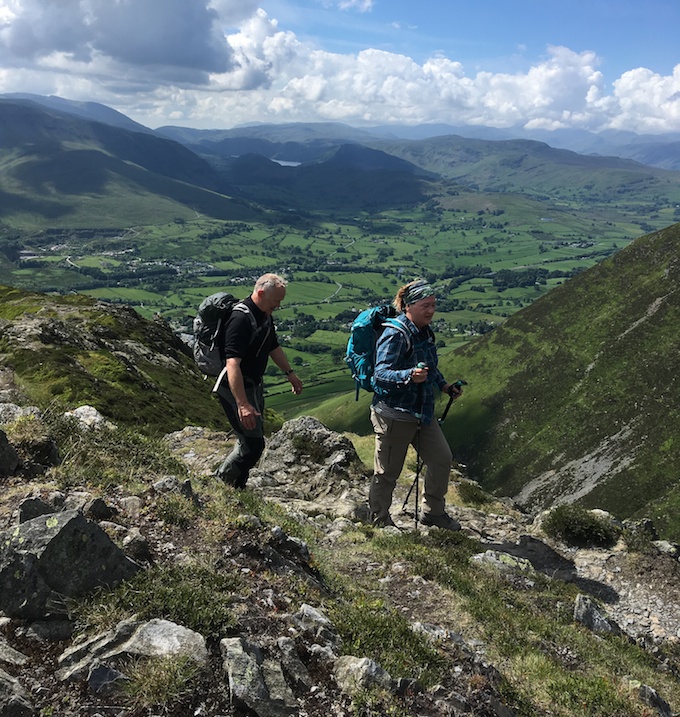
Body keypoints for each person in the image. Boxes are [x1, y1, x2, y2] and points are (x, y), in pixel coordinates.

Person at [368, 278, 463, 529]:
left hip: (422, 412)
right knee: (387, 473)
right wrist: (408, 375)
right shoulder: (395, 334)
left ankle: (433, 512)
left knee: (442, 459)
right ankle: (379, 521)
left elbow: (430, 367)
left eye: (433, 305)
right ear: (408, 306)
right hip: (394, 415)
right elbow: (380, 373)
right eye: (425, 305)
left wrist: (443, 386)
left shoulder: (425, 332)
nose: (431, 310)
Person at [215, 273, 303, 488]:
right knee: (253, 445)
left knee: (250, 440)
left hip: (252, 386)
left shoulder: (263, 314)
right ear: (261, 293)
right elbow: (232, 364)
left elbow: (272, 345)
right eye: (275, 301)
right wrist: (242, 405)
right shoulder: (240, 319)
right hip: (236, 388)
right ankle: (222, 483)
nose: (278, 306)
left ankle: (237, 485)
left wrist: (289, 373)